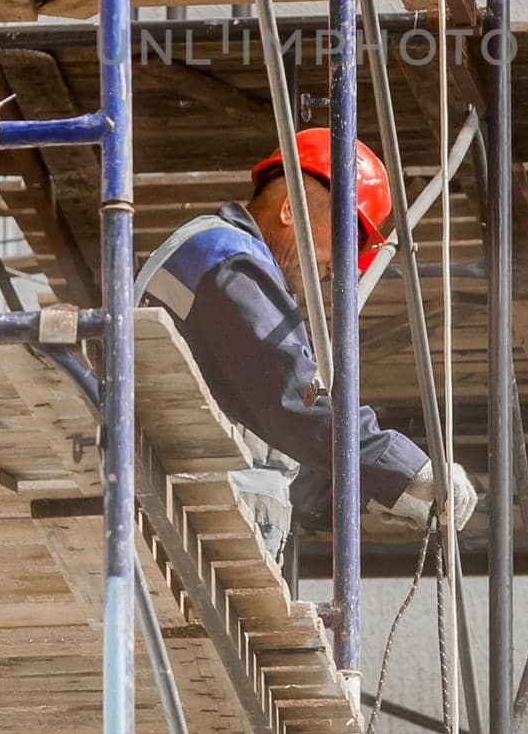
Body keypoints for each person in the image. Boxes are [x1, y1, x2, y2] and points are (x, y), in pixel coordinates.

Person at [135, 129, 477, 561]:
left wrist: (379, 490)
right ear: (288, 211)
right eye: (339, 244)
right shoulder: (228, 260)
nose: (337, 268)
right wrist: (411, 471)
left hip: (188, 523)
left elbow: (279, 444)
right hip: (178, 525)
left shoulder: (227, 268)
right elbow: (294, 401)